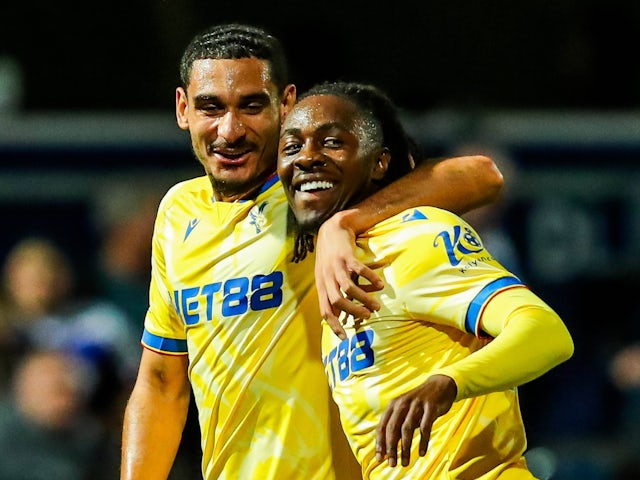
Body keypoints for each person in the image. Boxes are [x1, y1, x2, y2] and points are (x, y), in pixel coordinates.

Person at [120, 23, 505, 480]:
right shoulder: (177, 212)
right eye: (211, 107)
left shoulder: (319, 191)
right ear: (183, 109)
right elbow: (162, 383)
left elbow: (483, 176)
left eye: (251, 106)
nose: (230, 129)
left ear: (286, 105)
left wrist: (345, 222)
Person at [277, 80, 574, 479]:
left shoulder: (416, 236)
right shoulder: (329, 268)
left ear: (379, 162)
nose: (307, 157)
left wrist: (447, 383)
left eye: (331, 142)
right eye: (292, 146)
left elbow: (546, 331)